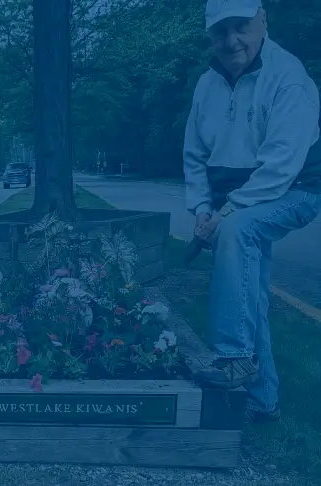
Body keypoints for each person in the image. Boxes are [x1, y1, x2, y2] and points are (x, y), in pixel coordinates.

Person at [184, 0, 321, 423]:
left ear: (262, 21)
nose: (232, 40)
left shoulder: (288, 79)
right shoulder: (206, 85)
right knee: (249, 294)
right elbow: (194, 156)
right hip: (232, 201)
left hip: (295, 190)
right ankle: (264, 402)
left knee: (237, 232)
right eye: (220, 32)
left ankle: (233, 356)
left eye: (241, 27)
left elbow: (281, 164)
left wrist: (225, 215)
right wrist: (203, 209)